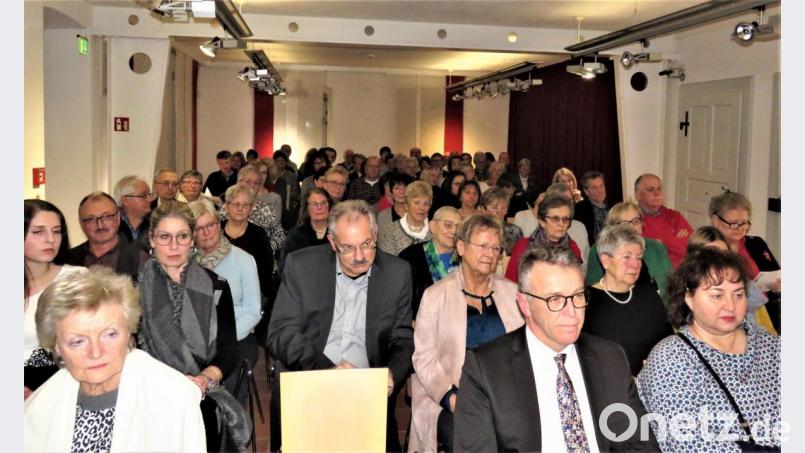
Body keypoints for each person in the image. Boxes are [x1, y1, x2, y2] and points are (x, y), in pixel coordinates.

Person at [454, 243, 658, 451]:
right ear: (525, 304)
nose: (572, 312)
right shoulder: (486, 369)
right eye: (556, 299)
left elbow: (641, 444)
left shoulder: (609, 357)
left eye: (578, 296)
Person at [267, 200, 414, 452]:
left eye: (367, 244)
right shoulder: (302, 265)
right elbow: (280, 332)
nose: (359, 257)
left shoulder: (397, 273)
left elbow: (402, 338)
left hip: (366, 386)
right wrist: (330, 372)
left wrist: (391, 373)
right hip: (309, 378)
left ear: (375, 236)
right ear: (332, 242)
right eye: (348, 248)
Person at [24, 266, 207, 452]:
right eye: (78, 341)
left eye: (110, 334)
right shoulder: (37, 409)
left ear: (128, 332)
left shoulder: (173, 399)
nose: (96, 352)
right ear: (57, 347)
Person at [637, 248, 781, 451]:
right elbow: (688, 444)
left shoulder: (774, 348)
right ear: (689, 298)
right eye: (717, 295)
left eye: (738, 294)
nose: (730, 305)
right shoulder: (671, 358)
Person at [136, 201, 250, 451]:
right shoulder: (134, 290)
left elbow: (228, 349)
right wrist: (166, 384)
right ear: (152, 240)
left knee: (204, 420)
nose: (174, 245)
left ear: (192, 239)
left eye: (182, 236)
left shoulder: (216, 285)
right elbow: (129, 353)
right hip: (149, 393)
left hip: (201, 391)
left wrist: (203, 379)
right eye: (165, 237)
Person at [409, 213, 524, 452]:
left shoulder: (512, 294)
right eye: (482, 245)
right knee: (469, 438)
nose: (490, 253)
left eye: (495, 248)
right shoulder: (435, 296)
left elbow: (526, 349)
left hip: (507, 398)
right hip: (450, 398)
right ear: (460, 247)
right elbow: (424, 358)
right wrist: (452, 398)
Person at [190, 200, 262, 403]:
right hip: (196, 341)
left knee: (224, 386)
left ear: (219, 225)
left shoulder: (244, 260)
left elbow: (253, 311)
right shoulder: (185, 264)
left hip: (237, 337)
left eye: (210, 225)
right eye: (199, 228)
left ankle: (230, 429)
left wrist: (221, 339)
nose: (206, 232)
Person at [583, 225, 673, 376]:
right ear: (605, 260)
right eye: (627, 257)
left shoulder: (649, 295)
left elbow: (668, 343)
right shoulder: (586, 302)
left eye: (639, 257)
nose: (636, 264)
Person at [24, 199, 81, 395]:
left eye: (56, 231)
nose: (50, 239)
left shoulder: (77, 279)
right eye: (38, 232)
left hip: (63, 382)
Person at [709, 191, 781, 334]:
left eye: (744, 223)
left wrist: (778, 285)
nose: (741, 228)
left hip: (771, 311)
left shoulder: (756, 243)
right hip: (737, 319)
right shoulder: (710, 249)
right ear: (716, 221)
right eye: (734, 223)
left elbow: (775, 272)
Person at [687, 226, 774, 334]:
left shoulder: (742, 281)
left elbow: (757, 311)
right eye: (711, 254)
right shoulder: (688, 288)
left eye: (724, 253)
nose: (720, 260)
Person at [586, 201, 673, 302]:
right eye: (623, 223)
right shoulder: (599, 250)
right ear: (612, 229)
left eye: (636, 221)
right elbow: (595, 291)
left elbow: (671, 284)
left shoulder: (657, 247)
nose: (631, 227)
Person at [66, 191, 148, 279]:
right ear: (81, 224)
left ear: (118, 218)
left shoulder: (140, 257)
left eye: (107, 217)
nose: (100, 225)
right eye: (91, 219)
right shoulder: (68, 261)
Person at [220, 184, 275, 314]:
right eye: (235, 204)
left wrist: (262, 298)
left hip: (249, 297)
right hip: (219, 294)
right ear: (227, 206)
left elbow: (266, 268)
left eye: (245, 205)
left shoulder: (259, 234)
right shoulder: (216, 230)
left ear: (251, 208)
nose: (240, 208)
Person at [398, 206, 462, 318]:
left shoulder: (465, 258)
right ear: (433, 226)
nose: (454, 231)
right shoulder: (409, 257)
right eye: (448, 225)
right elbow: (400, 301)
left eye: (458, 227)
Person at [506, 195, 582, 283]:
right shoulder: (523, 247)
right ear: (542, 221)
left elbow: (578, 282)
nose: (561, 224)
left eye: (565, 219)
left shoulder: (572, 247)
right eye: (555, 219)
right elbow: (510, 284)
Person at [219, 166, 286, 256]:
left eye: (256, 183)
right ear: (240, 181)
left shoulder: (267, 209)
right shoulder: (227, 207)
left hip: (261, 258)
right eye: (249, 181)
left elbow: (280, 235)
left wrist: (265, 248)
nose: (252, 186)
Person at [634, 173, 693, 268]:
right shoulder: (633, 219)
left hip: (679, 273)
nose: (657, 193)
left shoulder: (674, 216)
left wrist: (661, 241)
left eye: (659, 189)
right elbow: (646, 254)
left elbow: (691, 247)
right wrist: (674, 240)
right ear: (638, 195)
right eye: (650, 189)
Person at [280, 188, 333, 270]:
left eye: (323, 203)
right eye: (314, 204)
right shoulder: (295, 236)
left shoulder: (339, 234)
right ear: (307, 208)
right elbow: (286, 268)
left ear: (329, 206)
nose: (319, 207)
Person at [378, 180, 433, 256]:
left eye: (426, 204)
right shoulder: (391, 231)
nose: (422, 208)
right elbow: (387, 262)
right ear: (407, 205)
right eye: (417, 203)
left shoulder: (434, 230)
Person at [114, 175, 153, 251]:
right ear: (126, 200)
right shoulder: (111, 224)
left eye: (149, 194)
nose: (150, 199)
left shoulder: (155, 222)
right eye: (144, 195)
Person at [480, 186, 523, 256]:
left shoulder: (515, 231)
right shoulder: (476, 230)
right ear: (483, 209)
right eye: (494, 207)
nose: (499, 212)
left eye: (503, 208)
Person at [575, 170, 610, 245]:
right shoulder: (579, 210)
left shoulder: (613, 207)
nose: (600, 190)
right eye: (594, 188)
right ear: (586, 191)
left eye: (601, 186)